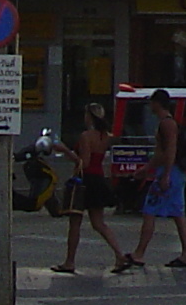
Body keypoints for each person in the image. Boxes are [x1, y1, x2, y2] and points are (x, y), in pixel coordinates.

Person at [55, 99, 133, 275]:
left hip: (84, 180)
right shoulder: (105, 136)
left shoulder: (86, 136)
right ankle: (119, 255)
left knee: (75, 222)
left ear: (90, 116)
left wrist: (65, 151)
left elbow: (84, 162)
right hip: (98, 179)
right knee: (99, 223)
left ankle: (70, 261)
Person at [125, 87, 186, 269]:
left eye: (152, 102)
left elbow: (169, 151)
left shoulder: (166, 124)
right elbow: (161, 153)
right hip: (173, 172)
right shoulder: (167, 123)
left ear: (157, 103)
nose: (150, 105)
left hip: (169, 173)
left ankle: (139, 253)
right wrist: (147, 169)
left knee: (149, 211)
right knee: (178, 214)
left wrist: (165, 175)